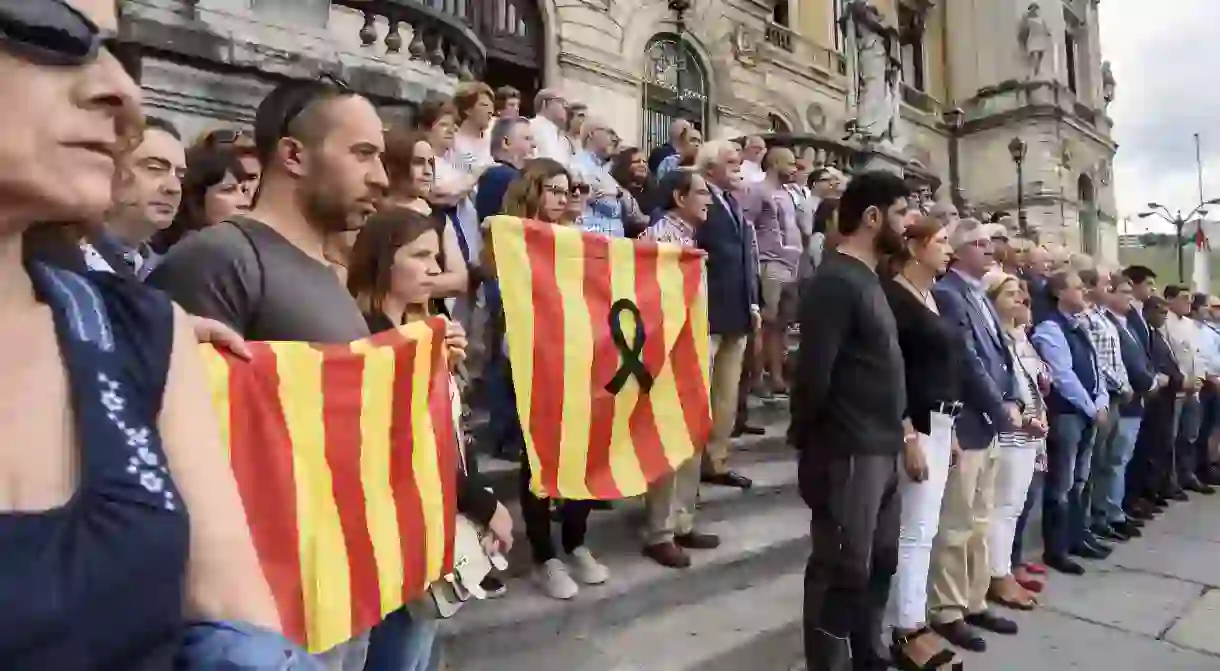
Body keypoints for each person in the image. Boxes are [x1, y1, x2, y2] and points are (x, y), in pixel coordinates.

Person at [0, 0, 302, 666]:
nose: (122, 90)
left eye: (112, 47)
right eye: (48, 26)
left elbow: (238, 629)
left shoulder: (146, 331)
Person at [149, 74, 390, 669]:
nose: (382, 178)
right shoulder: (220, 258)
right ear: (293, 155)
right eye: (363, 153)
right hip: (266, 613)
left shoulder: (327, 272)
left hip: (338, 583)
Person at [346, 206, 514, 671]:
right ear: (382, 259)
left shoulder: (418, 329)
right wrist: (484, 504)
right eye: (420, 256)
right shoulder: (365, 336)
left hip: (431, 516)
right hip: (396, 527)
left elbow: (452, 431)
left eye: (436, 255)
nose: (436, 269)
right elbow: (410, 445)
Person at [790, 170, 910, 671]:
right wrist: (814, 447)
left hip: (882, 447)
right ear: (873, 217)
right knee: (840, 568)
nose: (910, 224)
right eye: (902, 214)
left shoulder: (871, 278)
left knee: (880, 562)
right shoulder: (835, 280)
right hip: (848, 449)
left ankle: (869, 656)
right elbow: (813, 373)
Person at [485, 159, 610, 599]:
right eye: (554, 190)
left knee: (582, 452)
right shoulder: (509, 237)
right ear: (533, 190)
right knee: (538, 456)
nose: (564, 197)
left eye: (568, 189)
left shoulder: (575, 239)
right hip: (530, 361)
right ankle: (545, 555)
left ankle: (576, 541)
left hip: (577, 360)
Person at [928, 218, 1021, 651]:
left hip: (989, 423)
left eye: (991, 243)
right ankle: (946, 609)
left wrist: (1015, 398)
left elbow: (1001, 355)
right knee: (957, 522)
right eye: (979, 243)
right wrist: (1000, 409)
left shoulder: (978, 294)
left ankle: (974, 599)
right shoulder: (948, 293)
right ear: (960, 250)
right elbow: (967, 361)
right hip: (968, 421)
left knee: (980, 519)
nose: (990, 250)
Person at [882, 213, 962, 670]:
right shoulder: (895, 298)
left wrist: (948, 433)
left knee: (925, 527)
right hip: (915, 422)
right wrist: (909, 432)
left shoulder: (933, 298)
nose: (948, 249)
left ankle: (913, 619)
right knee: (914, 529)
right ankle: (906, 626)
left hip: (941, 420)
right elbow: (894, 373)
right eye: (942, 241)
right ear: (914, 247)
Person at [639, 169, 722, 568]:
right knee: (669, 438)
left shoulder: (688, 238)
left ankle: (682, 520)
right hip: (669, 353)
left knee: (692, 437)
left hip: (693, 348)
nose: (709, 199)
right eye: (702, 192)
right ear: (678, 196)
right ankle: (659, 530)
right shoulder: (657, 236)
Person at [1031, 270, 1108, 577]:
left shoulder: (1078, 326)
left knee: (1080, 479)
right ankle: (1057, 548)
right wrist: (1091, 407)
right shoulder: (1051, 328)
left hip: (1086, 412)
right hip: (1067, 414)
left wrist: (1100, 398)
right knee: (1061, 484)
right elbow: (1063, 375)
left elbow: (1095, 366)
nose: (1084, 292)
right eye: (1077, 287)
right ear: (1060, 292)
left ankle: (1078, 537)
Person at [695, 140, 758, 489]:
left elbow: (746, 257)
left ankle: (716, 461)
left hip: (736, 311)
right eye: (732, 162)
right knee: (700, 393)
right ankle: (692, 466)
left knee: (726, 395)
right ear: (709, 168)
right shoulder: (699, 202)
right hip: (707, 313)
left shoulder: (734, 203)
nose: (739, 167)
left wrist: (753, 302)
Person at [983, 273, 1045, 611]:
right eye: (1010, 293)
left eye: (1021, 292)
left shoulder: (1020, 335)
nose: (1020, 297)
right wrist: (1027, 417)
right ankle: (999, 576)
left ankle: (1005, 569)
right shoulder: (996, 338)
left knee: (1014, 507)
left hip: (1030, 430)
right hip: (1010, 430)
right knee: (1003, 508)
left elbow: (1031, 382)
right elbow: (1006, 387)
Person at [83, 115, 186, 278]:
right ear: (108, 169)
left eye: (180, 176)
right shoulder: (63, 262)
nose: (173, 188)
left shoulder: (170, 273)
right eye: (154, 168)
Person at [152, 142, 254, 253]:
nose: (244, 202)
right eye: (228, 190)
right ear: (196, 198)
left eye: (243, 190)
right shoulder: (181, 255)